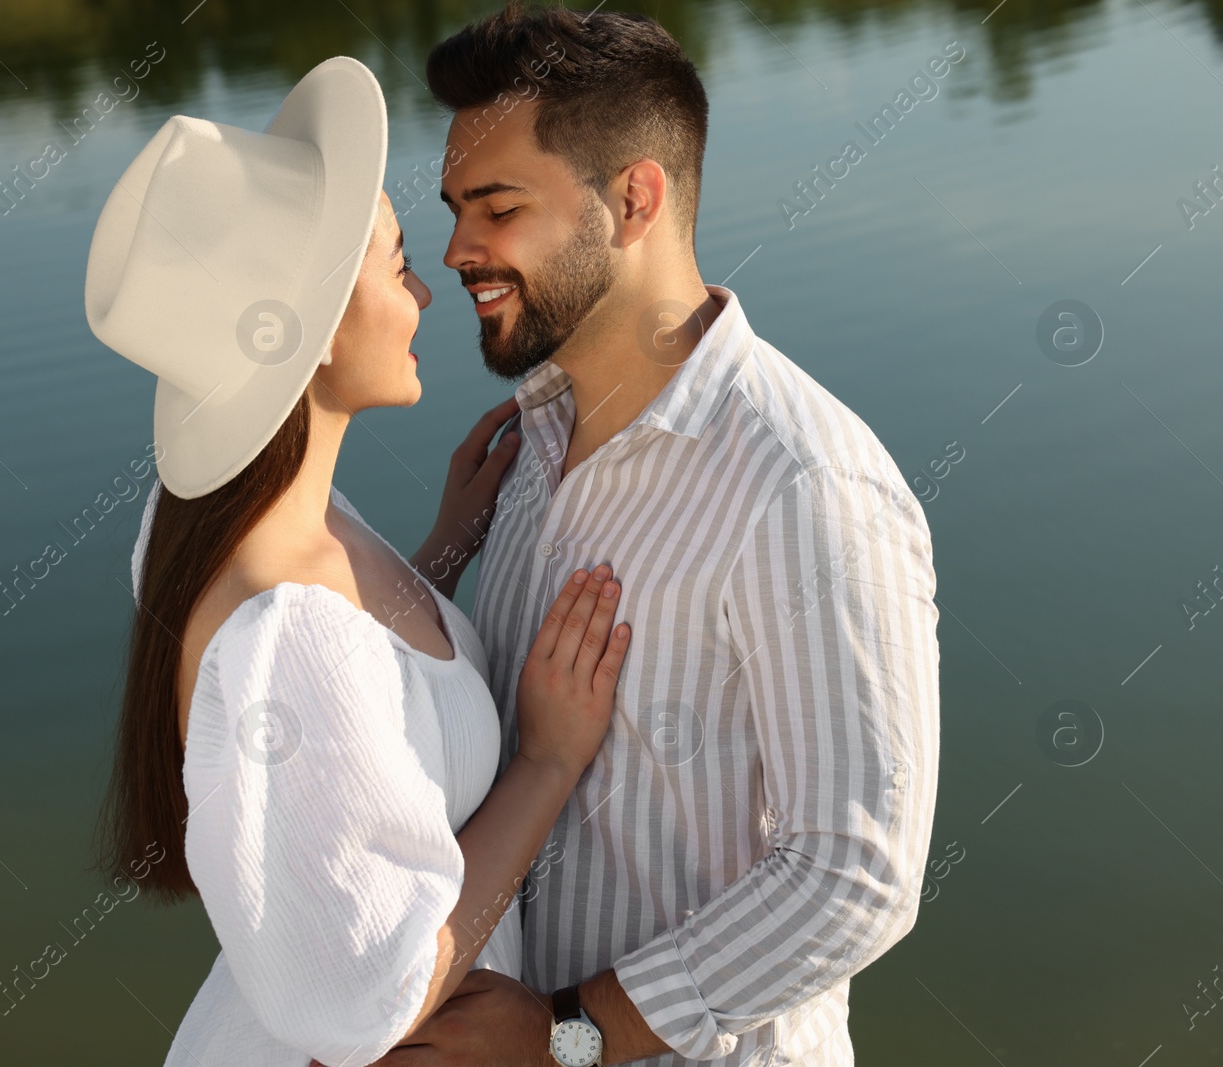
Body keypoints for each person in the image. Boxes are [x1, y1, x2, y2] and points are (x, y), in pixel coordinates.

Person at [374, 5, 943, 1066]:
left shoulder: (803, 483)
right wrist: (446, 554)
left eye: (497, 208)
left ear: (634, 198)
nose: (455, 250)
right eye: (455, 208)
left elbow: (855, 873)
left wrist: (567, 1034)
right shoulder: (528, 443)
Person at [82, 57, 633, 1067]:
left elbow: (348, 709)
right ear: (313, 325)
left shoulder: (239, 510)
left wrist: (435, 559)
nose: (427, 287)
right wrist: (548, 761)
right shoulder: (286, 627)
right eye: (395, 263)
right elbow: (374, 996)